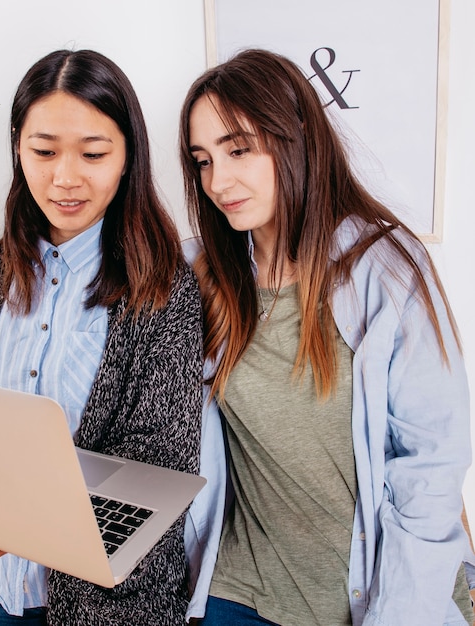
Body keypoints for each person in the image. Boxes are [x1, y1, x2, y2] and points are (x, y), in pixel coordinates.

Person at [178, 48, 474, 625]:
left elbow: (430, 465)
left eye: (239, 149)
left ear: (295, 139)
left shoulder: (383, 267)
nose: (218, 180)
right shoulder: (201, 274)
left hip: (377, 596)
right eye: (203, 160)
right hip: (239, 590)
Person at [0, 49, 204, 626]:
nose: (65, 177)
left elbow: (158, 466)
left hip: (105, 605)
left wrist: (21, 523)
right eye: (44, 150)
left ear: (128, 155)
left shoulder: (163, 290)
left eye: (93, 153)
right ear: (17, 148)